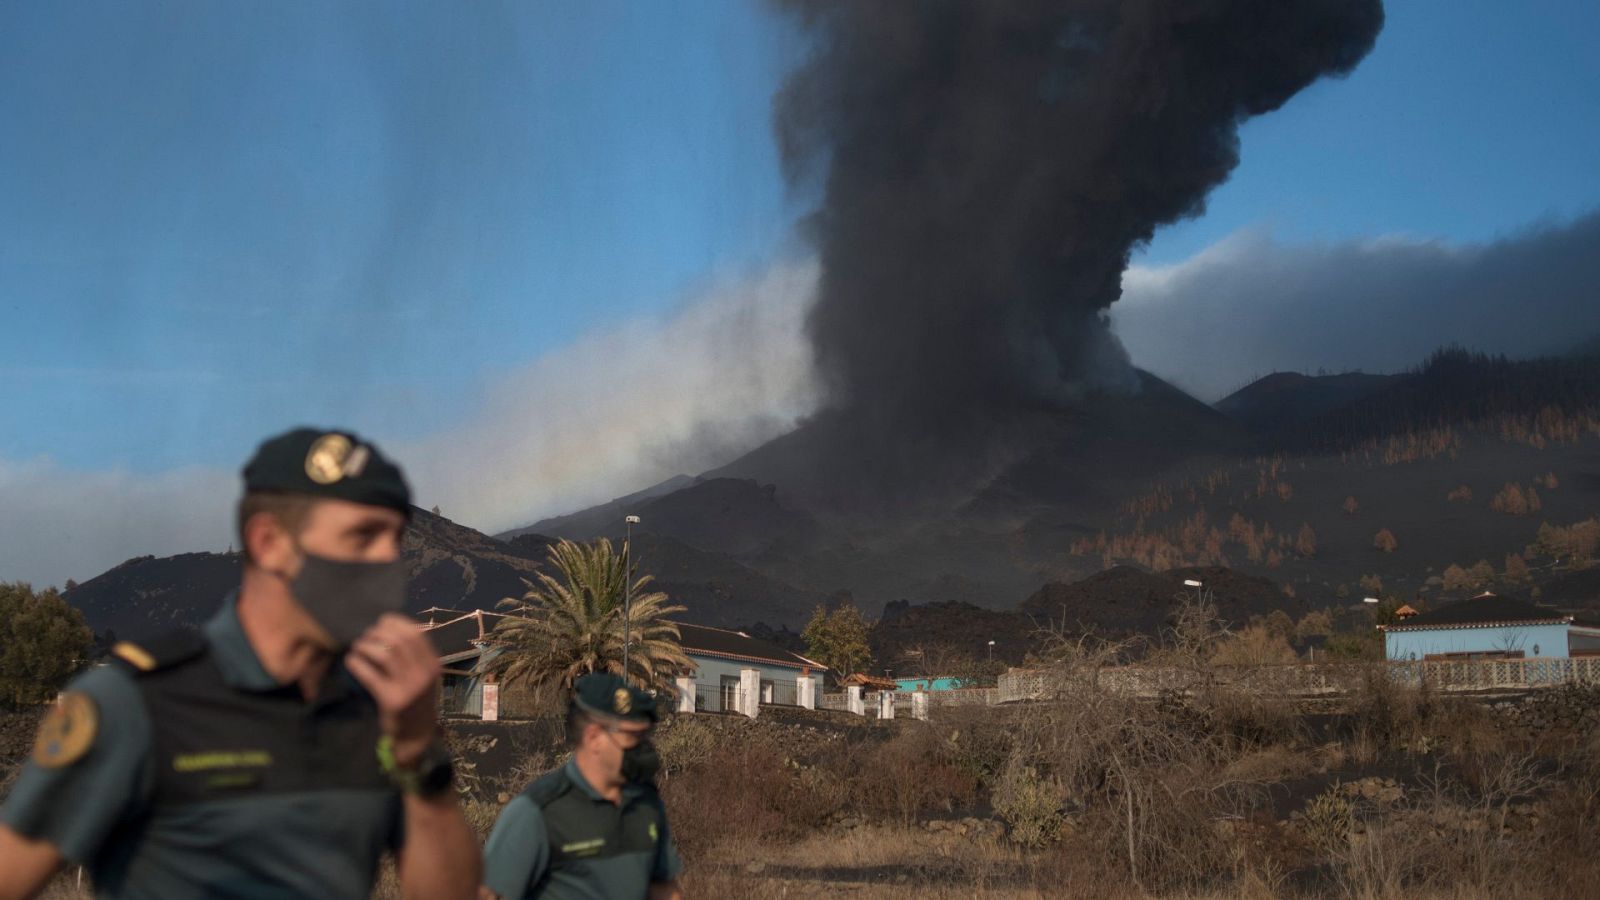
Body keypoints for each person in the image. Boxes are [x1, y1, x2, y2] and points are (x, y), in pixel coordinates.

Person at [0, 427, 480, 900]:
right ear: (268, 542)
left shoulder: (380, 710)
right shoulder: (136, 700)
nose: (387, 561)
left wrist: (418, 753)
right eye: (361, 537)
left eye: (394, 540)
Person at [480, 673, 683, 900]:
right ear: (594, 737)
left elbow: (664, 889)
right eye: (634, 737)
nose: (644, 749)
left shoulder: (646, 802)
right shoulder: (536, 812)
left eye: (646, 736)